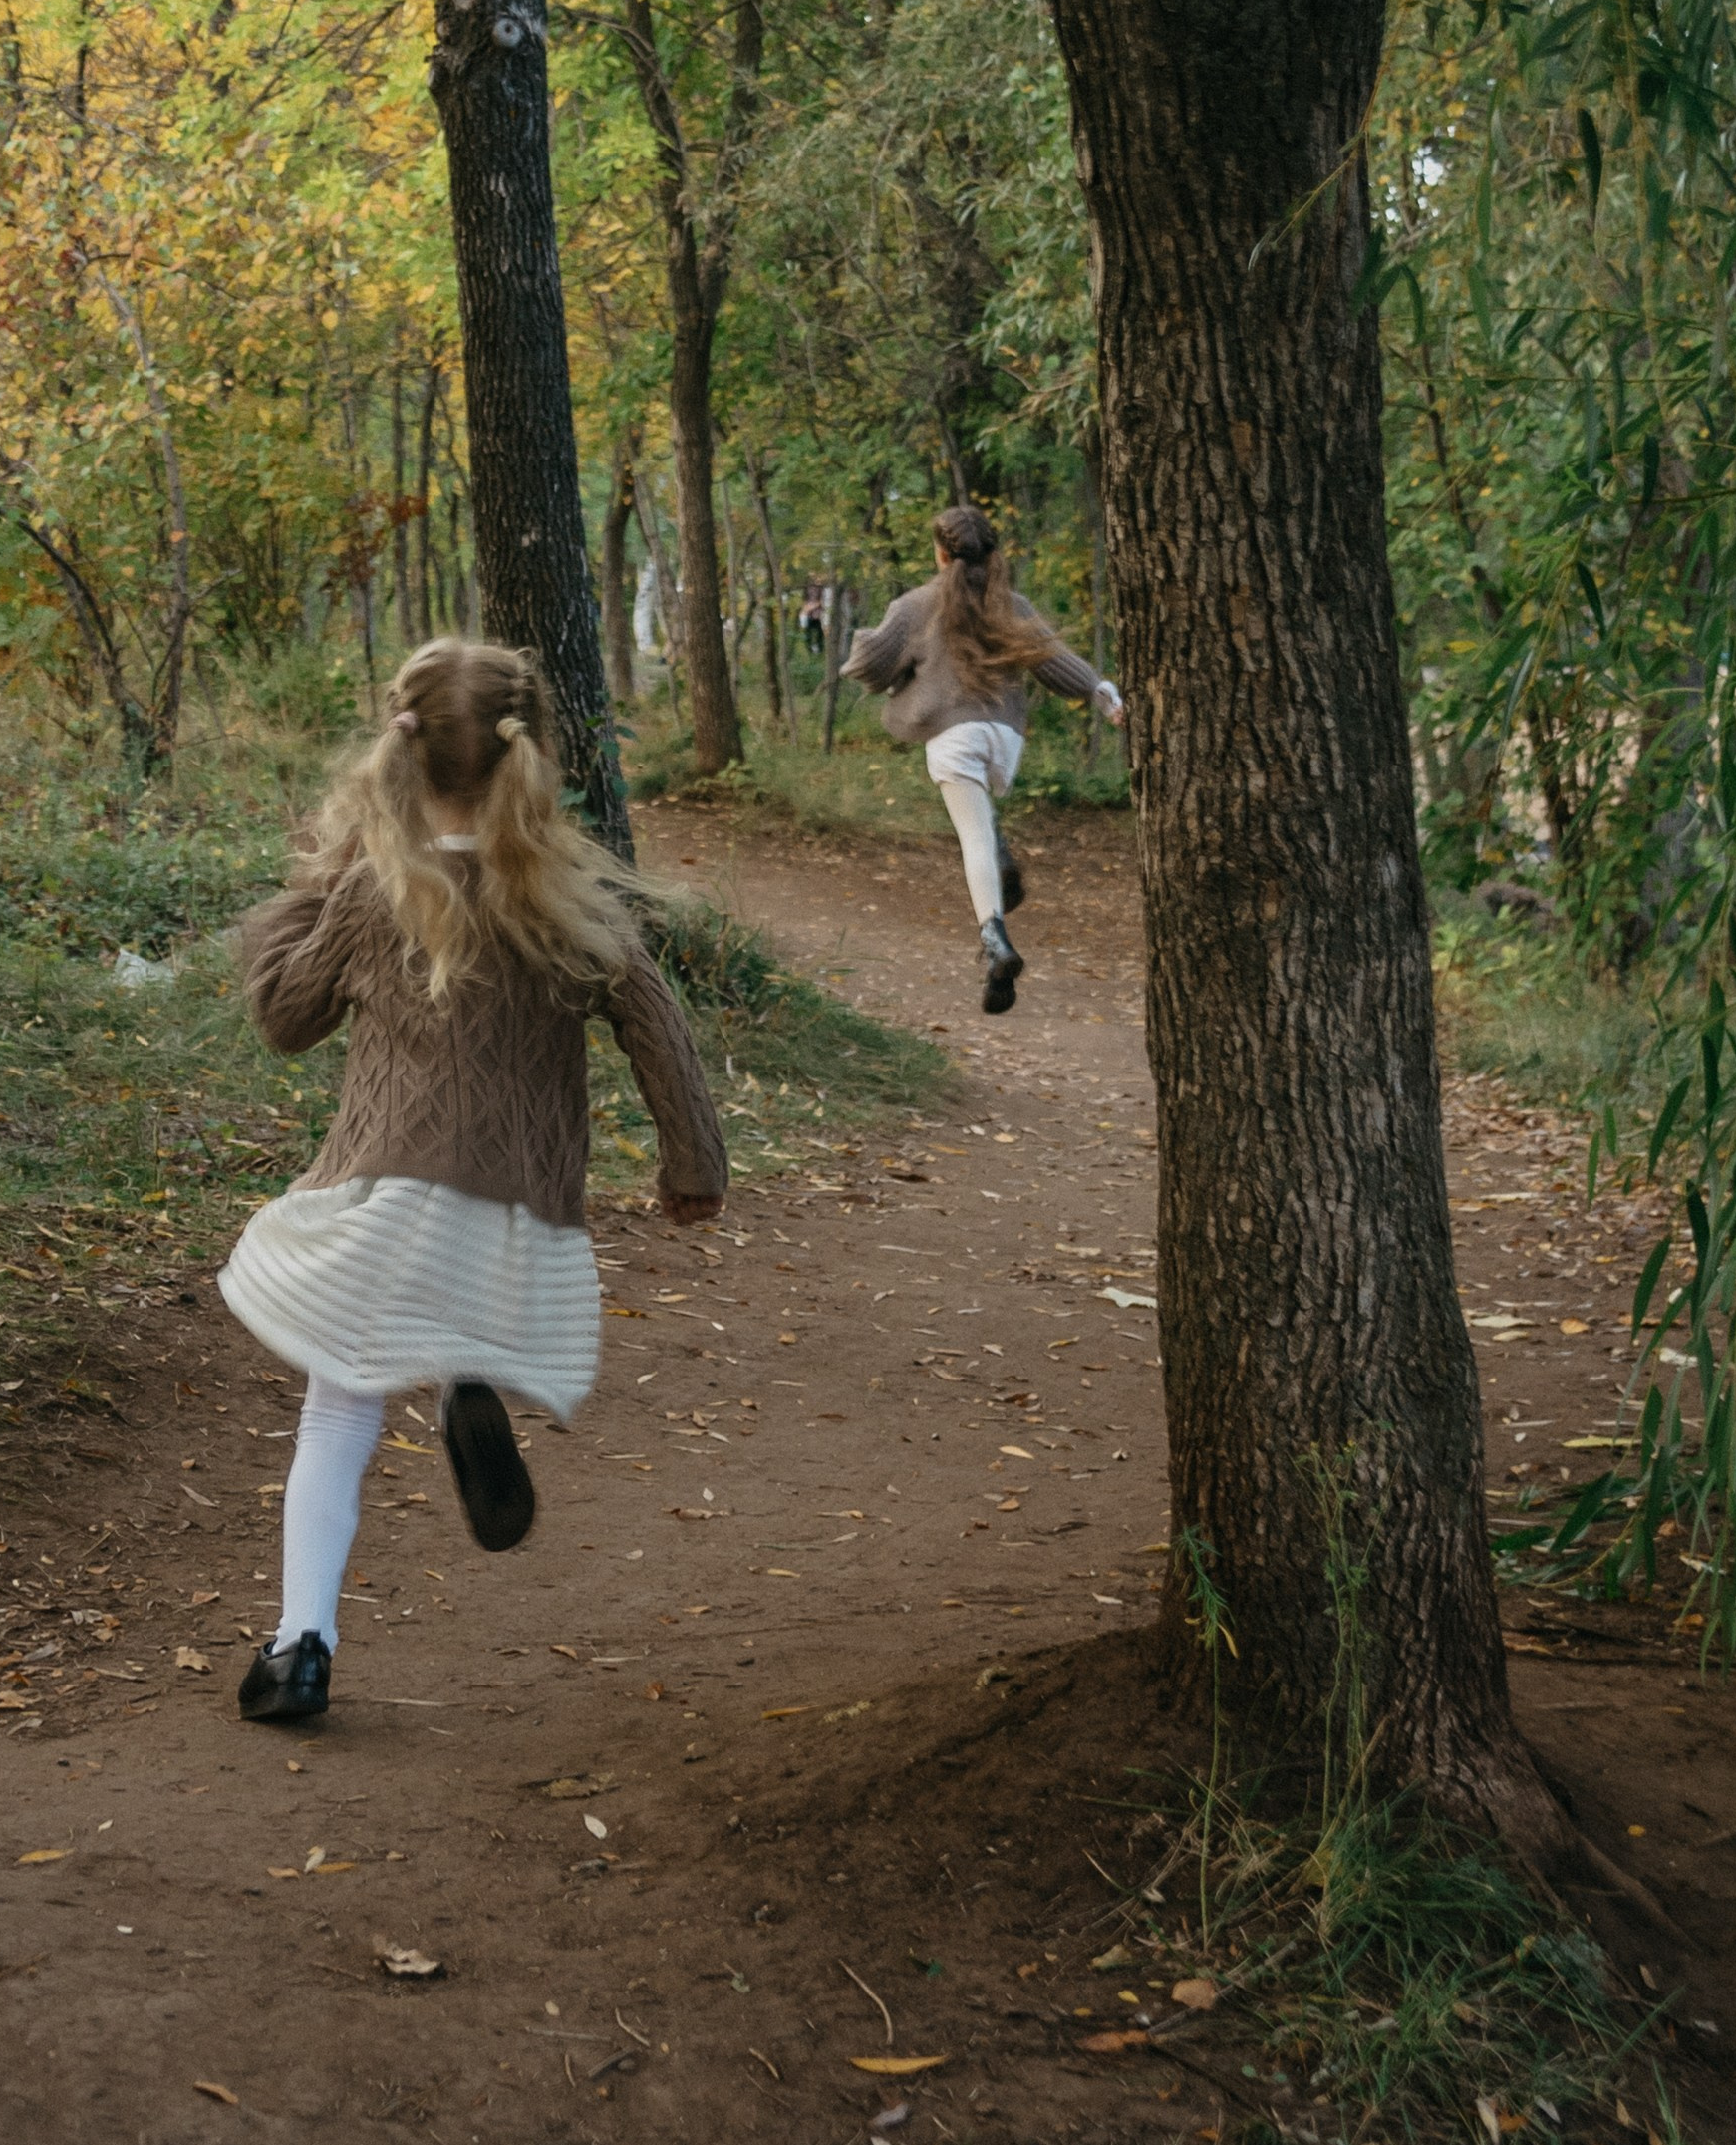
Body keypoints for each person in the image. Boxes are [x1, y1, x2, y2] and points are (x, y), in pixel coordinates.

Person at [217, 637, 727, 1727]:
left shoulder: (371, 887)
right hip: (519, 1218)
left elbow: (282, 1020)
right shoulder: (566, 888)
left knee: (336, 1415)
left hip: (385, 1190)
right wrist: (694, 1167)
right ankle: (462, 1376)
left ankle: (301, 1645)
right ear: (525, 750)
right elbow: (656, 1026)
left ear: (399, 747)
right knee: (422, 1327)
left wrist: (311, 884)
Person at [840, 503, 1122, 1014]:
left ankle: (995, 940)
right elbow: (1055, 661)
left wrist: (864, 644)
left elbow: (868, 663)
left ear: (940, 553)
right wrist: (1104, 692)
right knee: (980, 819)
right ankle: (1001, 852)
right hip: (1004, 740)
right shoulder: (1012, 605)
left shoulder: (917, 605)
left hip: (955, 735)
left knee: (971, 837)